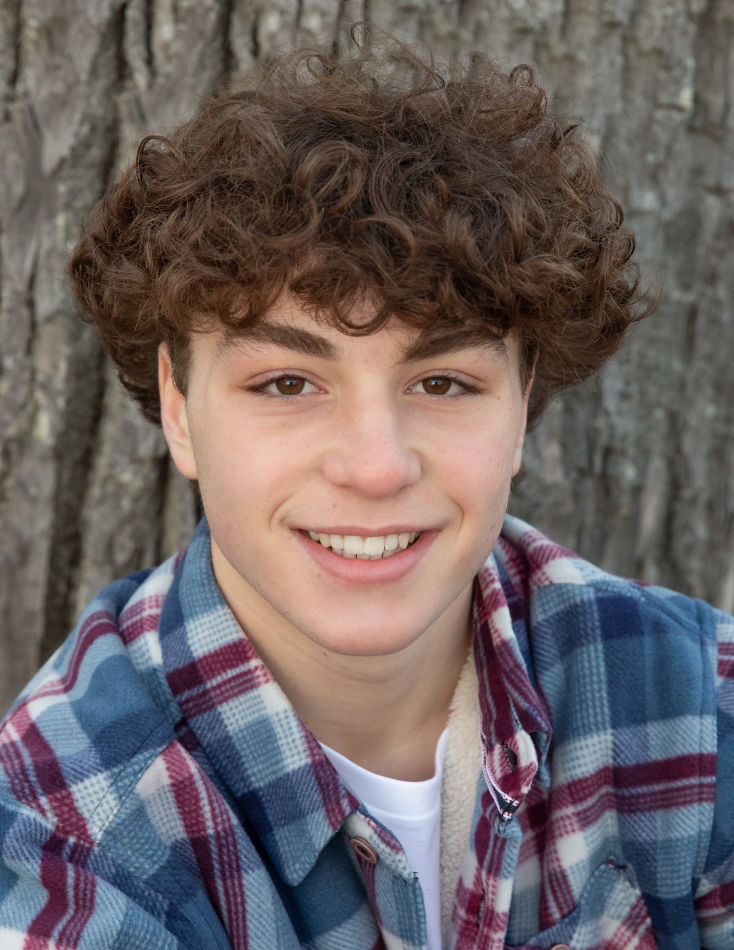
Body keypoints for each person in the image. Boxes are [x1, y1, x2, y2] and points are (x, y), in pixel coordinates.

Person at [0, 30, 732, 950]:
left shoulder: (699, 706)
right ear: (179, 409)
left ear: (521, 405)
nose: (376, 467)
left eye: (443, 383)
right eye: (287, 384)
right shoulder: (64, 833)